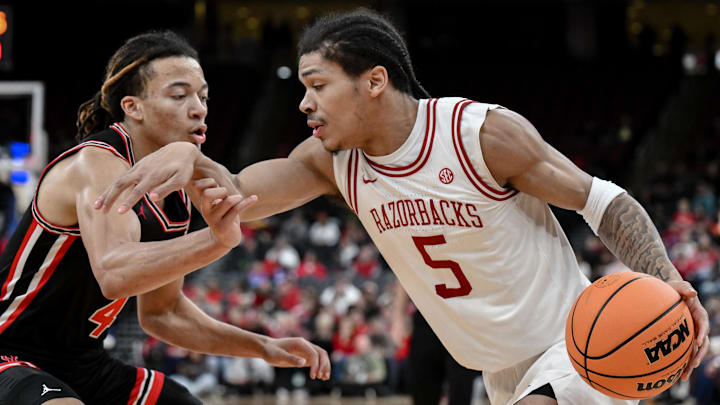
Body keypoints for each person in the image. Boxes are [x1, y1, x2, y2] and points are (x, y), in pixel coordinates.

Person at [94, 10, 710, 405]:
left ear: (374, 81)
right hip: (497, 372)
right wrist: (189, 160)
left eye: (316, 85)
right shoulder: (330, 162)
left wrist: (668, 281)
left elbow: (604, 200)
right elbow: (234, 196)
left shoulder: (480, 136)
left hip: (573, 345)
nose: (304, 104)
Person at [0, 31, 329, 405]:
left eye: (203, 96)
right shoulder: (96, 162)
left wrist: (264, 346)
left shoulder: (175, 196)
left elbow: (164, 313)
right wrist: (216, 240)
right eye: (179, 95)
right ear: (132, 107)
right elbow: (114, 272)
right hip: (9, 352)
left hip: (83, 363)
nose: (199, 108)